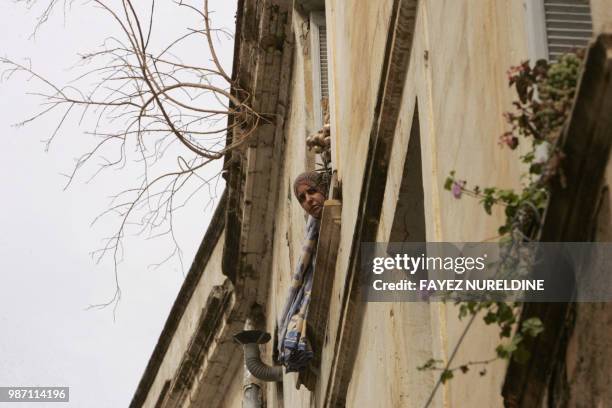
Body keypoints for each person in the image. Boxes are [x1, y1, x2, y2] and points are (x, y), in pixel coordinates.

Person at [277, 171, 328, 373]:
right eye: (302, 198)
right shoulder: (312, 233)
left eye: (312, 191)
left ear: (323, 189)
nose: (309, 200)